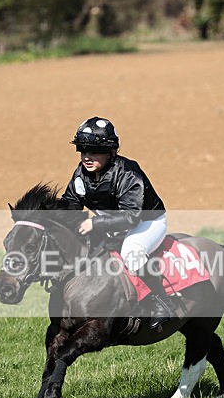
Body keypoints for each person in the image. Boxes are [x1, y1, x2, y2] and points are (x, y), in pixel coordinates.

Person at [59, 116, 176, 329]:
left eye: (93, 151)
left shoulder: (128, 172)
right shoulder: (81, 175)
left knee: (132, 253)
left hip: (146, 222)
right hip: (112, 225)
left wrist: (96, 224)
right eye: (83, 150)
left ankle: (163, 303)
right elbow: (69, 205)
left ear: (111, 151)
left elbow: (132, 217)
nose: (86, 157)